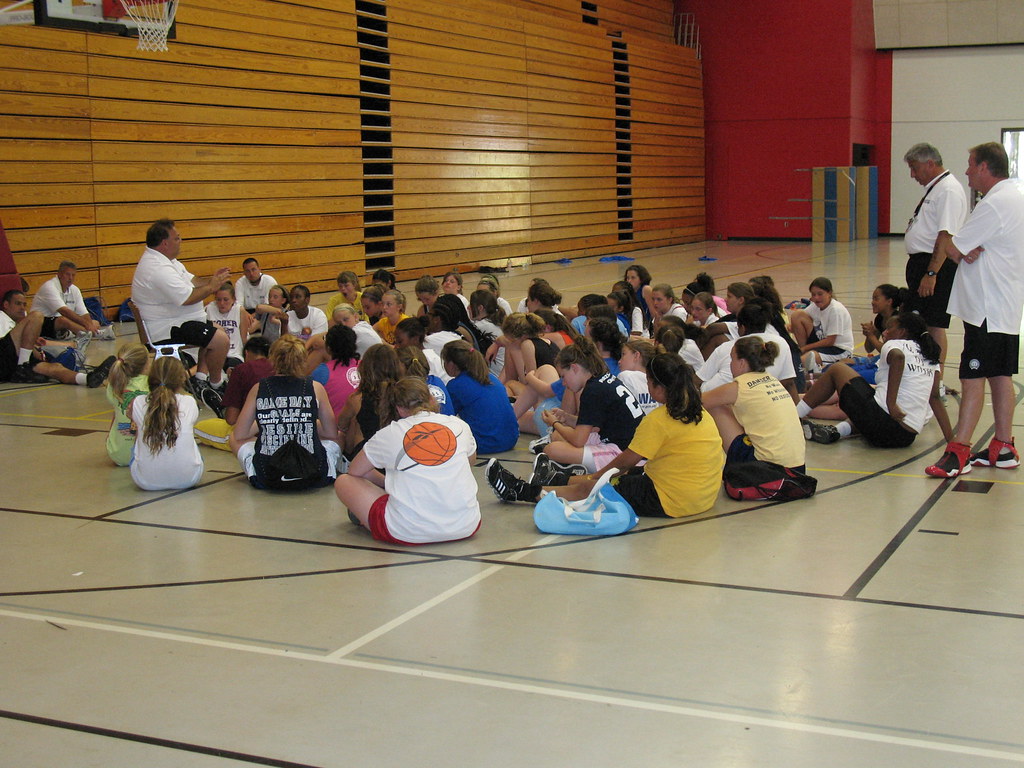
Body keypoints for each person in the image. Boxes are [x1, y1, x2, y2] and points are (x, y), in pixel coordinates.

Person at [487, 353, 723, 518]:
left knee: (595, 487)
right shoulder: (698, 411)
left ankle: (523, 491)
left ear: (659, 387)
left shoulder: (660, 419)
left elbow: (621, 463)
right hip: (701, 495)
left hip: (670, 500)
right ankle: (557, 481)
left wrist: (595, 478)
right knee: (623, 475)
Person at [923, 142, 1024, 477]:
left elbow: (954, 246)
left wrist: (960, 245)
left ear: (984, 167)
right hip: (1005, 305)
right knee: (999, 375)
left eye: (970, 165)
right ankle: (1003, 446)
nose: (966, 171)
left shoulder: (995, 204)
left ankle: (959, 451)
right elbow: (968, 247)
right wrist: (968, 245)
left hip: (985, 307)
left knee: (971, 377)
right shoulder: (1017, 196)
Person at [336, 377, 481, 545]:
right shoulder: (458, 424)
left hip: (406, 531)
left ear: (399, 409)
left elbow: (355, 471)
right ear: (431, 399)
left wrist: (384, 482)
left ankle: (370, 513)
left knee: (345, 481)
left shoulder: (390, 433)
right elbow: (470, 460)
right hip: (466, 525)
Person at [798, 312, 952, 449]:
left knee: (837, 369)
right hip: (905, 438)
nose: (884, 332)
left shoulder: (894, 344)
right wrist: (952, 440)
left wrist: (892, 405)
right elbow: (935, 397)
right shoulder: (929, 356)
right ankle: (838, 431)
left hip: (883, 424)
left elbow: (898, 357)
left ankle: (794, 417)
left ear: (902, 332)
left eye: (889, 328)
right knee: (872, 398)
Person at [129, 219, 231, 410]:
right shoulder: (157, 269)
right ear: (165, 243)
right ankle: (216, 384)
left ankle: (201, 379)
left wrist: (212, 281)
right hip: (166, 329)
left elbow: (193, 281)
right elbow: (188, 297)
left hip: (180, 321)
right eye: (177, 238)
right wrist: (211, 287)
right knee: (220, 341)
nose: (180, 241)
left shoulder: (168, 262)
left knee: (216, 331)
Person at [230, 336, 341, 489]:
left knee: (233, 438)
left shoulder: (259, 387)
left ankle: (256, 470)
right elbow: (331, 433)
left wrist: (270, 419)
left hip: (268, 475)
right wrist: (302, 419)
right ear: (303, 360)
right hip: (312, 472)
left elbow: (240, 434)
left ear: (272, 359)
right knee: (339, 436)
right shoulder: (315, 387)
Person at [529, 337, 644, 483]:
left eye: (564, 376)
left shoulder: (592, 391)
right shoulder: (602, 378)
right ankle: (581, 465)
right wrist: (566, 417)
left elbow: (578, 440)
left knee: (552, 450)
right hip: (626, 444)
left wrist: (555, 423)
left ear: (575, 368)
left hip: (624, 454)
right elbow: (593, 426)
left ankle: (580, 471)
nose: (564, 383)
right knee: (558, 437)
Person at [902, 143, 968, 372]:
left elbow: (945, 236)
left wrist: (931, 273)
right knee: (922, 323)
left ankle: (935, 380)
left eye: (914, 168)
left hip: (935, 265)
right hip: (921, 263)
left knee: (934, 324)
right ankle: (923, 372)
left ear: (930, 164)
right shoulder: (936, 189)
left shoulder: (948, 190)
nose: (912, 174)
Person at [702, 336, 805, 472]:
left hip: (767, 470)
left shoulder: (738, 387)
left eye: (732, 359)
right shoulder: (773, 380)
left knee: (716, 406)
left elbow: (694, 403)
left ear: (742, 363)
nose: (730, 364)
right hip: (798, 469)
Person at [0, 289, 113, 387]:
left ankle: (88, 379)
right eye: (18, 304)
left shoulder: (17, 324)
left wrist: (32, 344)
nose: (22, 308)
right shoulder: (2, 317)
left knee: (56, 368)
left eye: (24, 305)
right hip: (5, 357)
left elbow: (18, 346)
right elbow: (9, 346)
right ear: (6, 304)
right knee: (36, 315)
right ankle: (22, 366)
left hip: (12, 366)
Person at [697, 298, 798, 401]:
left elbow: (699, 379)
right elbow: (788, 382)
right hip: (764, 398)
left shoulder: (729, 347)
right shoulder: (780, 342)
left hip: (721, 399)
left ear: (742, 328)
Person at [130, 356, 204, 491]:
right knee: (191, 442)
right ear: (181, 380)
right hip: (189, 478)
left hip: (145, 481)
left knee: (139, 435)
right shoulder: (189, 402)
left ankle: (151, 465)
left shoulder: (138, 402)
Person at [441, 339, 519, 453]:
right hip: (511, 439)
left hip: (486, 443)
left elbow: (444, 416)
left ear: (451, 364)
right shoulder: (490, 377)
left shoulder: (456, 385)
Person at [336, 343, 403, 456]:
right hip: (396, 451)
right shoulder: (403, 394)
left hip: (368, 455)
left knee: (353, 422)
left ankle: (342, 464)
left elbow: (341, 424)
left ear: (365, 368)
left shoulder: (357, 398)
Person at [31, 261, 113, 340]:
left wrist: (90, 324)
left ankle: (78, 332)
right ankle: (95, 334)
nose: (70, 278)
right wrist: (88, 325)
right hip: (40, 324)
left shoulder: (75, 290)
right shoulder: (49, 287)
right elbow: (64, 312)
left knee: (94, 322)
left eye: (73, 275)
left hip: (57, 324)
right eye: (67, 274)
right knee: (63, 320)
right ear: (59, 274)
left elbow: (83, 313)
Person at [789, 277, 854, 371]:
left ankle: (809, 358)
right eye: (813, 294)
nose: (816, 298)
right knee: (797, 315)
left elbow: (830, 341)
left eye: (820, 294)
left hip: (838, 349)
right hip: (823, 343)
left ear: (829, 293)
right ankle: (806, 353)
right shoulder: (816, 306)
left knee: (800, 362)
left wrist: (804, 348)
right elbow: (799, 320)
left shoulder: (835, 310)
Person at [105, 342, 150, 466]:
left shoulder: (114, 384)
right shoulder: (152, 383)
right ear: (146, 365)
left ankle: (119, 443)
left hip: (117, 454)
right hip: (146, 454)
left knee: (117, 414)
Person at [217, 335, 273, 426]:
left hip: (251, 429)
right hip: (280, 427)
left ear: (246, 353)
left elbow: (231, 419)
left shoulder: (242, 369)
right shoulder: (280, 367)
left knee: (203, 427)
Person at [205, 282, 248, 369]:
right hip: (215, 354)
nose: (222, 303)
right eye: (218, 299)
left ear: (233, 299)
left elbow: (244, 338)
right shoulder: (209, 309)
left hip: (234, 355)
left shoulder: (239, 310)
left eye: (226, 299)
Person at [624, 264, 654, 331]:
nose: (629, 281)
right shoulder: (627, 291)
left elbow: (653, 312)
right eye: (627, 278)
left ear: (641, 279)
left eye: (633, 278)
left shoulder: (645, 289)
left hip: (644, 328)